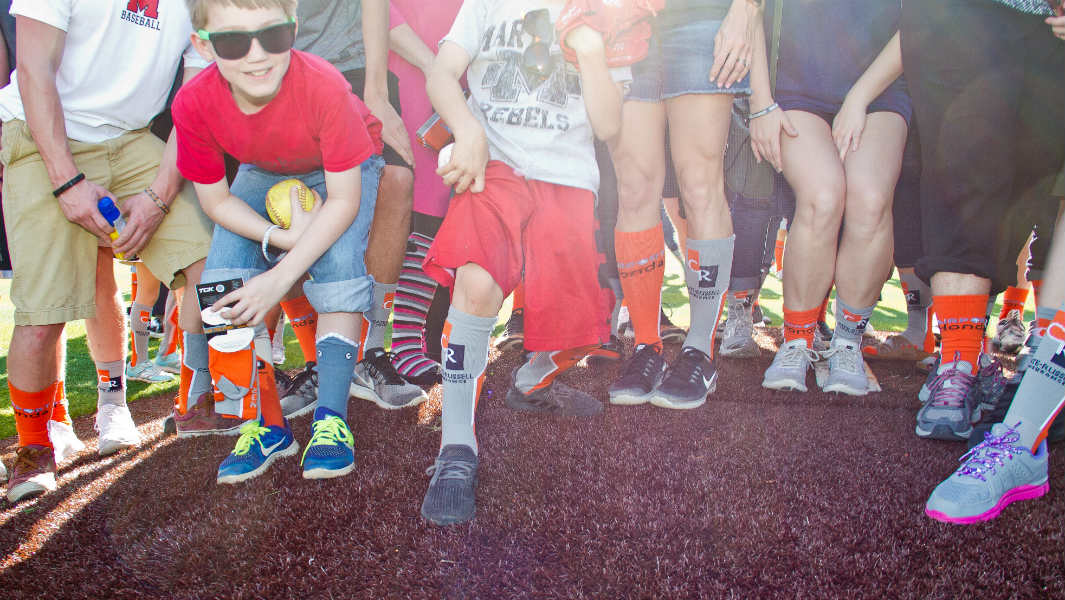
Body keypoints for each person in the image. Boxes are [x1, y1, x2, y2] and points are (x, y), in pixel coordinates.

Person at [418, 0, 628, 525]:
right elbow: (441, 73)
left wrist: (594, 52)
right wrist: (468, 131)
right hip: (497, 167)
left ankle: (533, 382)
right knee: (477, 281)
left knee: (586, 325)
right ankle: (456, 448)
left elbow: (607, 124)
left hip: (569, 178)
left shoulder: (607, 9)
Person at [1, 0, 213, 504]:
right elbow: (32, 70)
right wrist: (67, 180)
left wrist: (159, 200)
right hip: (44, 132)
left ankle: (200, 400)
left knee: (213, 271)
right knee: (45, 309)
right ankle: (34, 448)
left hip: (133, 139)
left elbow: (195, 102)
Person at [174, 0, 384, 482]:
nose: (255, 55)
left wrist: (279, 278)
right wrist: (277, 236)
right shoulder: (192, 102)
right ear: (202, 46)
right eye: (232, 40)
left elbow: (344, 201)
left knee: (339, 260)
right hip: (261, 168)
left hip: (347, 165)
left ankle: (331, 419)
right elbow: (216, 202)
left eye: (272, 36)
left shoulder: (324, 83)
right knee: (220, 280)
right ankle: (265, 423)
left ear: (294, 27)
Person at [901, 0, 1064, 441]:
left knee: (1036, 192)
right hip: (961, 17)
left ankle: (1043, 363)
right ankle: (957, 365)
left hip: (1050, 31)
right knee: (963, 174)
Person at [750, 3, 910, 396]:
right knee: (823, 197)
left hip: (880, 89)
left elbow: (918, 27)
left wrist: (857, 99)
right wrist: (760, 102)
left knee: (869, 198)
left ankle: (847, 343)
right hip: (796, 85)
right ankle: (797, 340)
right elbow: (749, 9)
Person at [606, 0, 760, 410]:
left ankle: (699, 351)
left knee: (700, 184)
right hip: (624, 22)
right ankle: (646, 346)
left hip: (701, 17)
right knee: (634, 189)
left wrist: (746, 8)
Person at [386, 0, 464, 385]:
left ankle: (421, 342)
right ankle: (401, 343)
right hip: (413, 77)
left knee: (448, 214)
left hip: (464, 84)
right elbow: (381, 13)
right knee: (424, 213)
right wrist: (434, 66)